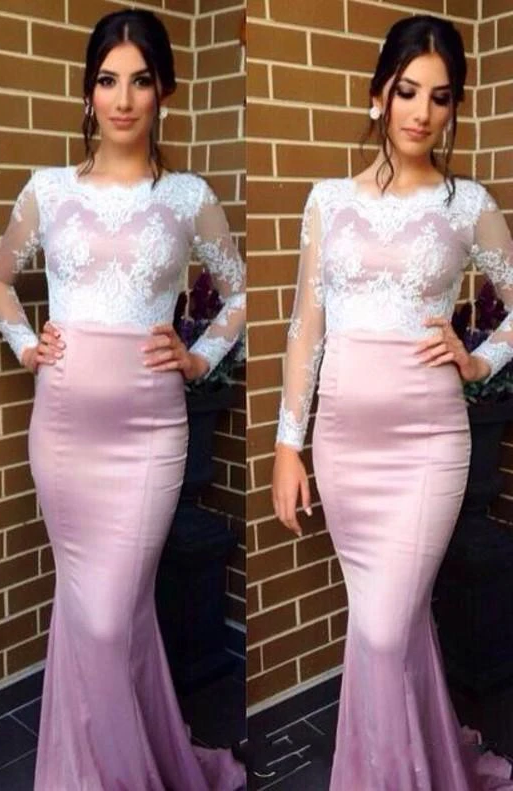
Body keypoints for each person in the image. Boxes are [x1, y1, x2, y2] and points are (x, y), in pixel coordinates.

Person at [0, 8, 245, 791]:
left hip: (150, 432)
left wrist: (197, 356)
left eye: (140, 81)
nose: (123, 99)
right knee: (94, 610)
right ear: (88, 91)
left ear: (164, 90)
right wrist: (25, 343)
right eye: (107, 80)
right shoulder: (49, 190)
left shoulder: (188, 196)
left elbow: (239, 293)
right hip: (63, 429)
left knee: (108, 614)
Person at [272, 14, 513, 791]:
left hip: (429, 444)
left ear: (454, 109)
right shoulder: (326, 201)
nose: (422, 112)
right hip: (344, 445)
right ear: (378, 94)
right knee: (391, 627)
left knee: (381, 631)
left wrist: (479, 357)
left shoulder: (467, 204)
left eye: (440, 98)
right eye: (408, 91)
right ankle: (421, 765)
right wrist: (287, 444)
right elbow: (306, 327)